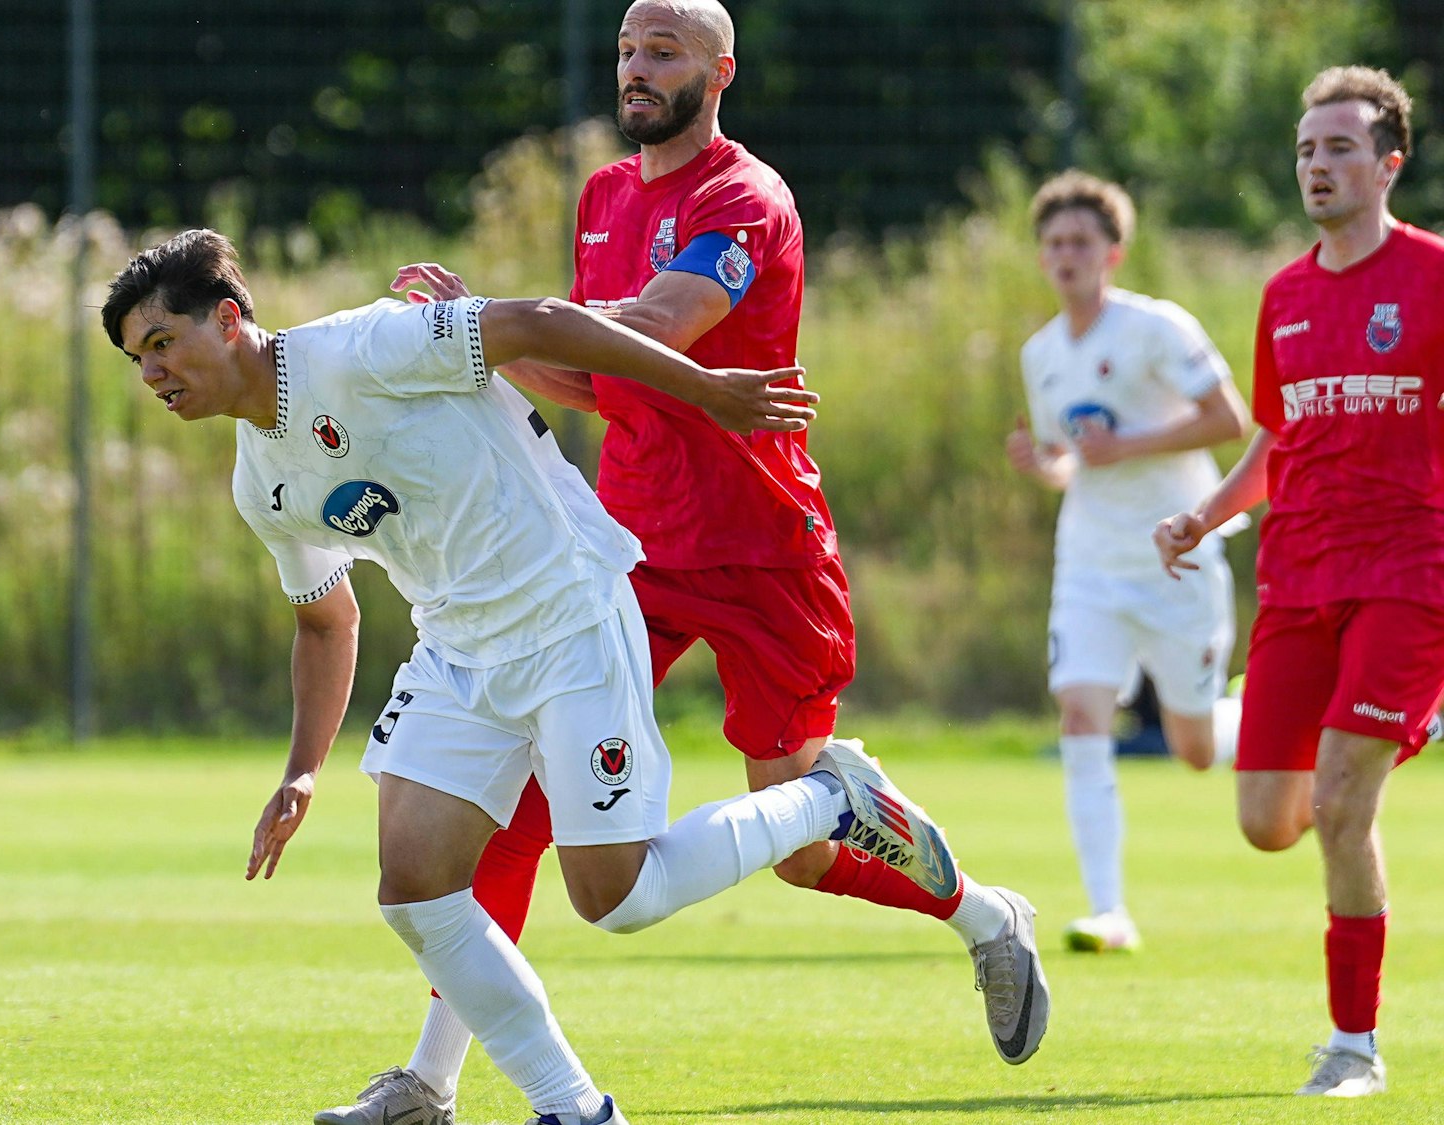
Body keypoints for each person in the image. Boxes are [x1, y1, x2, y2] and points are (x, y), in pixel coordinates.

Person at [103, 228, 1038, 1125]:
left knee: (616, 898)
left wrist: (706, 390)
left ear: (229, 318)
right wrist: (302, 770)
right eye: (138, 358)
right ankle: (574, 1107)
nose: (152, 373)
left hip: (568, 612)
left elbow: (542, 321)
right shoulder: (258, 483)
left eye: (163, 341)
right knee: (415, 888)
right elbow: (325, 619)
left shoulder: (361, 347)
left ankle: (829, 800)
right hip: (457, 649)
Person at [330, 3, 1049, 1119]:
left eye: (662, 51)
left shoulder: (743, 198)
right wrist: (486, 340)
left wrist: (503, 327)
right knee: (517, 804)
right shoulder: (603, 196)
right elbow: (591, 375)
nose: (636, 67)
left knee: (802, 844)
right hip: (625, 549)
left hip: (764, 551)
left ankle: (987, 917)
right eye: (627, 48)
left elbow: (657, 328)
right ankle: (431, 1079)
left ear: (720, 71)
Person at [1155, 66, 1443, 1098]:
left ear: (1387, 164)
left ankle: (1353, 1047)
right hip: (1297, 580)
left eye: (1339, 149)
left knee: (1338, 804)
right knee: (1268, 820)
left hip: (1408, 575)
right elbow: (1276, 443)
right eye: (1305, 150)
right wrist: (1201, 515)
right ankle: (1404, 730)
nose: (1317, 166)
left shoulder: (1433, 275)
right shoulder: (1282, 295)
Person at [1005, 170, 1249, 954]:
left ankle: (1262, 713)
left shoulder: (1157, 327)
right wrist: (1045, 467)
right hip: (1089, 563)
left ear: (1113, 252)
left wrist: (1128, 445)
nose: (1066, 254)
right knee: (1082, 712)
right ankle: (1108, 909)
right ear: (1041, 256)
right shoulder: (1041, 352)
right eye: (1054, 242)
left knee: (1193, 748)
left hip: (1176, 552)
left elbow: (1231, 419)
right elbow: (1073, 460)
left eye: (1081, 241)